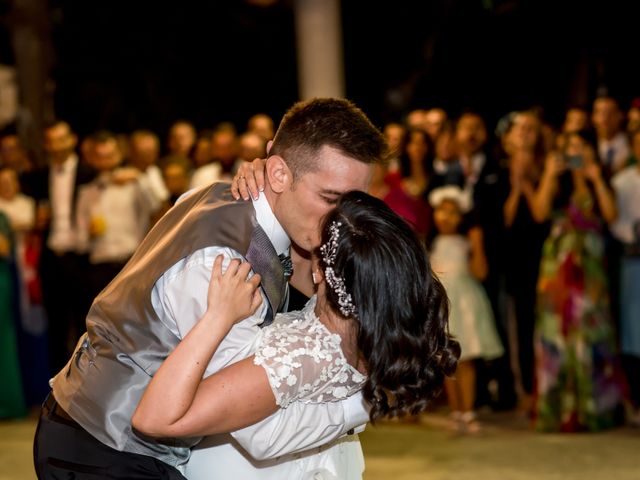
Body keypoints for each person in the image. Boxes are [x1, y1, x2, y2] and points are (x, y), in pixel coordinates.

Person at [33, 98, 388, 479]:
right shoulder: (223, 269)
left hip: (95, 430)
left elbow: (300, 271)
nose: (342, 220)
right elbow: (258, 432)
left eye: (354, 202)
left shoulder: (221, 195)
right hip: (104, 449)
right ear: (280, 174)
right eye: (331, 199)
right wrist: (372, 400)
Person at [133, 191, 459, 479]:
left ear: (319, 270)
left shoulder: (297, 356)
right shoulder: (374, 332)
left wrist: (217, 318)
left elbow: (155, 419)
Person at [530, 129, 624, 432]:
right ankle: (558, 409)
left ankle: (593, 409)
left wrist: (594, 178)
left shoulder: (603, 179)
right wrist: (548, 175)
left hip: (590, 273)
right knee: (555, 337)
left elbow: (610, 215)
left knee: (591, 336)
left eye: (580, 148)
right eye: (568, 149)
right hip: (556, 273)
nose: (574, 155)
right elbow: (539, 213)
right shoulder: (556, 183)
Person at [427, 185, 503, 433]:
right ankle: (456, 410)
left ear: (461, 217)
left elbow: (481, 272)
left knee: (465, 358)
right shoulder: (431, 243)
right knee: (446, 360)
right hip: (441, 305)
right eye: (441, 211)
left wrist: (478, 244)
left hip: (464, 305)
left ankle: (468, 409)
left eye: (451, 212)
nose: (445, 217)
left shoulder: (465, 242)